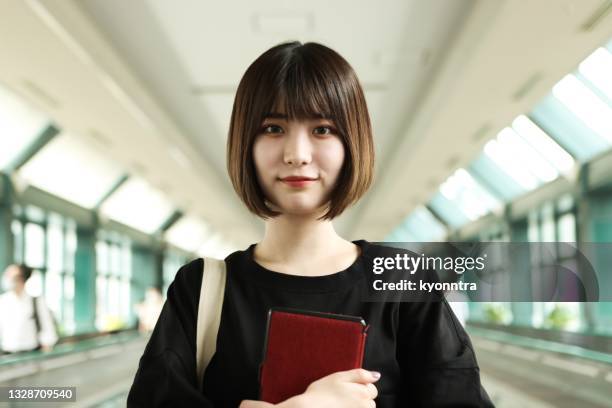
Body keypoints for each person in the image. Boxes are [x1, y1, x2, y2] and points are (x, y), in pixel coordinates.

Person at [128, 41, 493, 407]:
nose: (296, 155)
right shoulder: (201, 289)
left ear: (353, 143)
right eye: (273, 128)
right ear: (246, 144)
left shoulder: (402, 283)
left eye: (322, 129)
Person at [0, 264, 58, 353]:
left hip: (30, 353)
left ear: (21, 279)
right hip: (7, 353)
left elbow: (48, 329)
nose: (7, 279)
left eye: (11, 276)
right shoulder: (2, 301)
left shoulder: (36, 302)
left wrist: (46, 346)